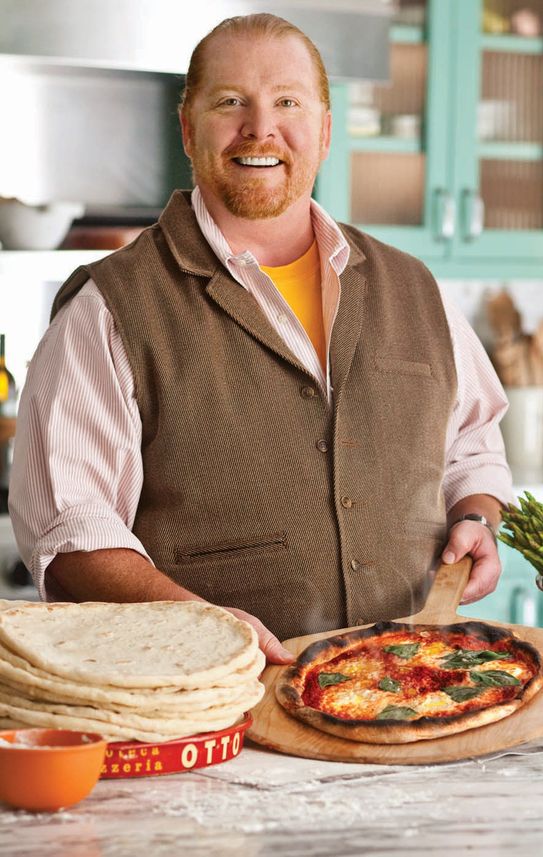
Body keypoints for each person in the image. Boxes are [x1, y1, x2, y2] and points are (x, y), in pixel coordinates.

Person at [9, 14, 514, 664]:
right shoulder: (109, 308)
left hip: (406, 702)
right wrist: (199, 623)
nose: (260, 127)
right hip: (210, 717)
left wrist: (475, 518)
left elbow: (471, 442)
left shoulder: (416, 288)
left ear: (326, 131)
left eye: (287, 101)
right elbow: (69, 528)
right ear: (189, 130)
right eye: (230, 102)